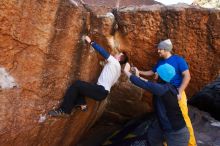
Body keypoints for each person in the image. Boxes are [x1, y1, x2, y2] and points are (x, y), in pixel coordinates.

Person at [48, 36, 128, 116]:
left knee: (76, 85)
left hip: (100, 90)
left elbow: (102, 51)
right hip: (102, 92)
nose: (116, 54)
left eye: (118, 54)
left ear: (119, 58)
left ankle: (64, 111)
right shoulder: (118, 72)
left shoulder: (114, 62)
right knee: (82, 86)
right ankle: (82, 103)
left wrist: (91, 42)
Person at [138, 39, 196, 146]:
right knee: (164, 118)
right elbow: (152, 72)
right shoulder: (160, 62)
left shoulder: (178, 60)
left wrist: (179, 91)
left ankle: (191, 144)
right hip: (164, 95)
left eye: (160, 49)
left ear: (166, 49)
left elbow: (187, 76)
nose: (158, 51)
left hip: (177, 93)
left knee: (183, 119)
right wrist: (138, 72)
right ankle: (168, 141)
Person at [124, 63, 190, 146]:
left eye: (157, 72)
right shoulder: (167, 86)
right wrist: (137, 75)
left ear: (162, 76)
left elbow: (142, 84)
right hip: (163, 126)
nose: (155, 73)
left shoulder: (162, 89)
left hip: (177, 134)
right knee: (152, 140)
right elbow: (149, 84)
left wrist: (126, 71)